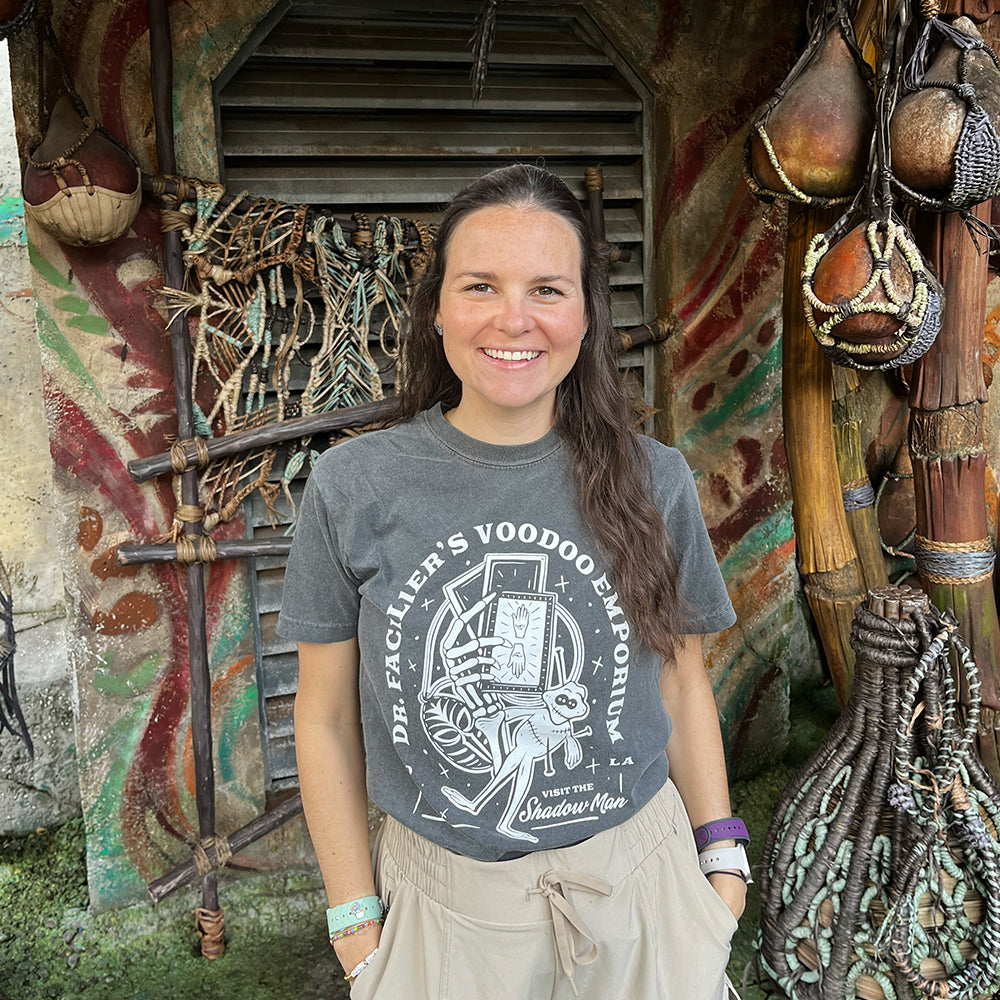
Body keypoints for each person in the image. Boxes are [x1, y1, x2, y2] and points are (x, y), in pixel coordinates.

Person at [277, 163, 747, 999]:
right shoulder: (354, 485)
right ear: (437, 309)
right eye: (481, 285)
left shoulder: (655, 479)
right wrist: (355, 920)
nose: (514, 319)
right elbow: (324, 720)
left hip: (645, 890)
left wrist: (722, 864)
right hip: (446, 909)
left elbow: (680, 682)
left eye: (548, 289)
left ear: (588, 315)